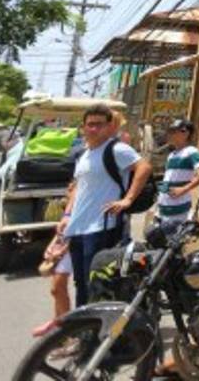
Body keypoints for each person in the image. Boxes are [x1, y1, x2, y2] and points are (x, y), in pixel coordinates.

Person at [58, 106, 152, 307]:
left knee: (98, 283)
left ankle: (101, 331)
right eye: (90, 124)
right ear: (83, 127)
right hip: (78, 229)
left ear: (109, 127)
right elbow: (77, 188)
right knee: (81, 283)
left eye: (99, 125)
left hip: (102, 227)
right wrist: (67, 215)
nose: (93, 129)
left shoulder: (116, 149)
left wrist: (128, 199)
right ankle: (84, 328)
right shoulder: (84, 155)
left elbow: (144, 167)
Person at [157, 119, 199, 229]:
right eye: (169, 131)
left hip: (177, 211)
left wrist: (184, 189)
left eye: (173, 131)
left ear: (185, 133)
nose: (169, 134)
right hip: (163, 209)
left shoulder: (190, 151)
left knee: (171, 243)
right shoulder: (172, 155)